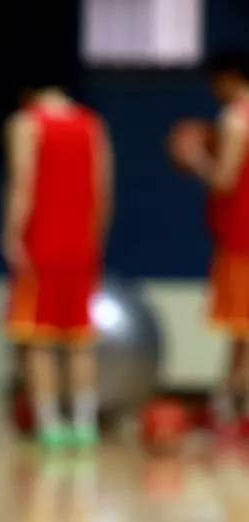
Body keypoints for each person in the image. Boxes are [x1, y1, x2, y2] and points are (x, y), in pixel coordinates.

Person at [1, 83, 113, 449]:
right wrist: (94, 239)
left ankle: (49, 425)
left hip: (41, 242)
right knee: (80, 336)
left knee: (39, 337)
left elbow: (23, 183)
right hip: (82, 243)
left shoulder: (26, 123)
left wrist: (12, 233)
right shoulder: (93, 125)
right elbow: (103, 189)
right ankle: (84, 424)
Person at [170, 50, 249, 435]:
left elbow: (223, 180)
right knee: (241, 332)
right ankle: (226, 403)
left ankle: (233, 406)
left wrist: (197, 156)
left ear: (228, 78)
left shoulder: (235, 118)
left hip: (242, 237)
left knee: (243, 328)